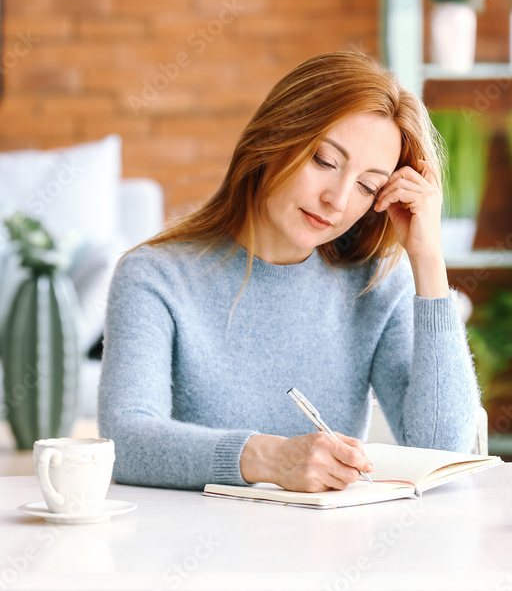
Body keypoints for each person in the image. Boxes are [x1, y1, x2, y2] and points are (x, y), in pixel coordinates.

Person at [98, 51, 479, 492]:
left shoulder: (374, 285)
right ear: (275, 136)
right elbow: (124, 441)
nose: (337, 199)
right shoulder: (153, 277)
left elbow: (441, 452)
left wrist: (429, 261)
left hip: (327, 549)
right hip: (190, 546)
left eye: (367, 186)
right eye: (324, 161)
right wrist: (271, 459)